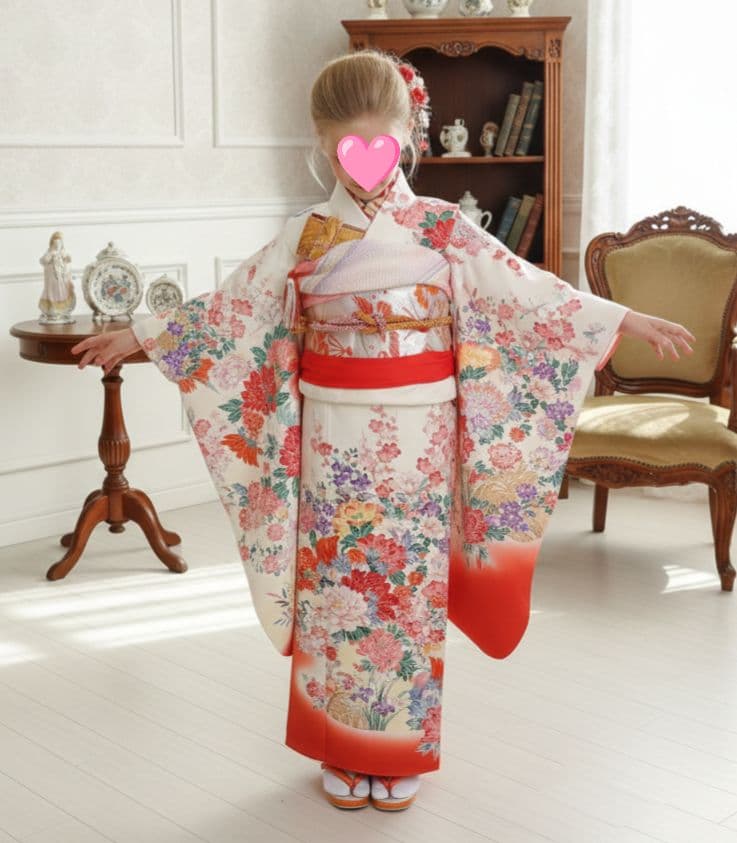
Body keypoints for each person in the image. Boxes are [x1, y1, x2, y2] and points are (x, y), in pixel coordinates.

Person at [71, 49, 695, 812]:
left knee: (402, 588)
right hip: (331, 436)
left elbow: (528, 292)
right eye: (346, 148)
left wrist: (619, 318)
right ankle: (341, 743)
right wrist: (141, 335)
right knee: (337, 588)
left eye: (382, 147)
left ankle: (397, 750)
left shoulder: (441, 227)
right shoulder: (307, 234)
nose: (365, 165)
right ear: (321, 142)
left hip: (418, 437)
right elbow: (235, 309)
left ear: (408, 139)